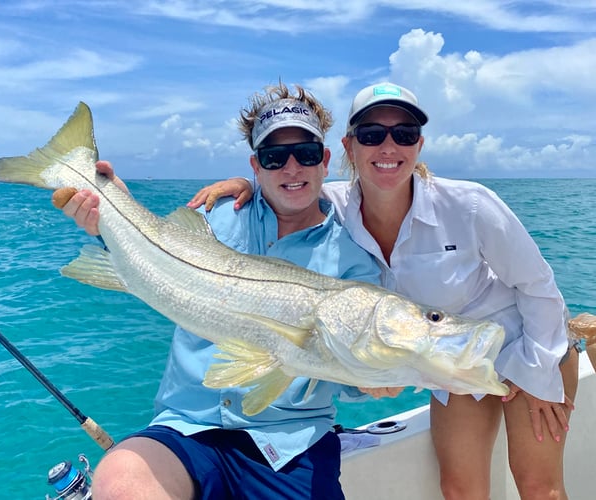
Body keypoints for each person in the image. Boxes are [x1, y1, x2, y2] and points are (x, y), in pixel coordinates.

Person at [189, 81, 580, 500]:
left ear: (419, 144)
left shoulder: (469, 204)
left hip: (527, 344)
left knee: (541, 489)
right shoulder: (332, 206)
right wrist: (245, 184)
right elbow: (286, 181)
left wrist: (539, 374)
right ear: (349, 146)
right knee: (461, 491)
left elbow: (537, 286)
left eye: (404, 134)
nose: (388, 146)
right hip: (449, 362)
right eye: (372, 135)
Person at [58, 82, 398, 500]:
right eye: (275, 158)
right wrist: (108, 216)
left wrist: (374, 379)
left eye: (306, 155)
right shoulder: (218, 215)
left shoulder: (354, 263)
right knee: (121, 482)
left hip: (291, 442)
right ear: (255, 167)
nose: (292, 169)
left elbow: (348, 381)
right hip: (187, 426)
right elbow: (151, 252)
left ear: (325, 161)